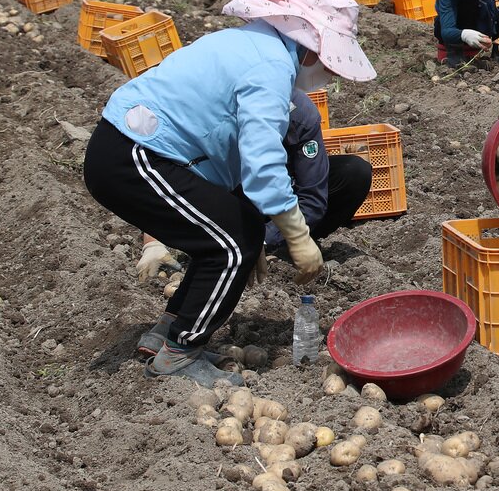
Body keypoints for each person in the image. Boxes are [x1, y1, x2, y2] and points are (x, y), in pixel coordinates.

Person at [83, 0, 376, 386]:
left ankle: (167, 332)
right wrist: (295, 234)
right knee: (230, 246)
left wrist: (251, 229)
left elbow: (229, 152)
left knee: (231, 237)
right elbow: (262, 160)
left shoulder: (254, 44)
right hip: (134, 153)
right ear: (312, 46)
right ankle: (180, 354)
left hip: (139, 151)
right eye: (329, 62)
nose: (327, 73)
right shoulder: (270, 65)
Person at [134, 91, 376, 344]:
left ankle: (282, 247)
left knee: (353, 171)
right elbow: (173, 176)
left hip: (284, 197)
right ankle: (175, 330)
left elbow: (313, 196)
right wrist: (153, 241)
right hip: (234, 198)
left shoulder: (302, 116)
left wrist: (273, 238)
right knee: (227, 240)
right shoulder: (223, 111)